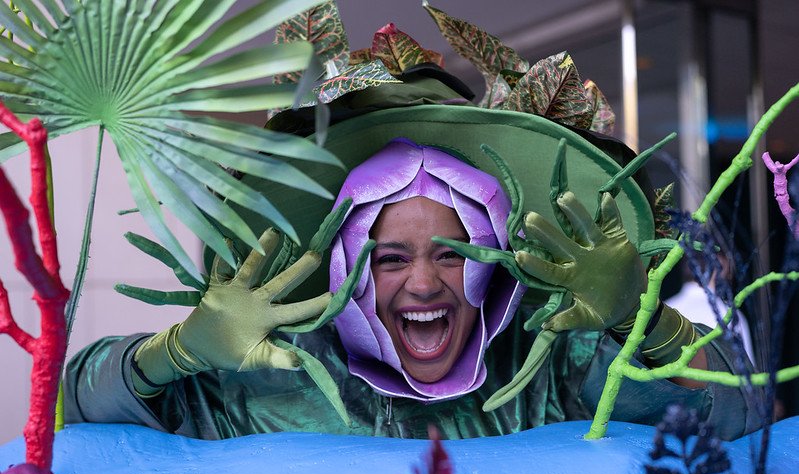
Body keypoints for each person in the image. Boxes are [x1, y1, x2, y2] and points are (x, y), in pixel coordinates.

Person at [64, 70, 761, 441]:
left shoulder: (552, 365)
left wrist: (642, 323)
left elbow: (741, 416)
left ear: (492, 262)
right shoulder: (273, 379)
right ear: (345, 270)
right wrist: (178, 352)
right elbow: (76, 403)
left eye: (454, 253)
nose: (424, 283)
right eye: (389, 258)